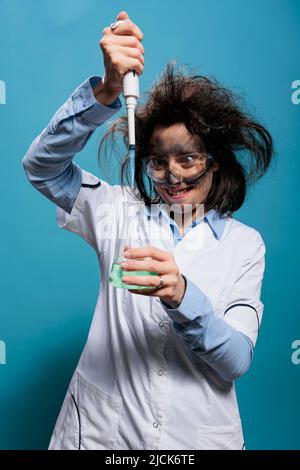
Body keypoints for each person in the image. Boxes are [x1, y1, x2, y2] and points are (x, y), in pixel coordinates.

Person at [22, 10, 273, 450]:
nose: (172, 175)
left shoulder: (244, 245)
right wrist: (106, 91)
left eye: (188, 159)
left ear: (215, 160)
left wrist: (181, 294)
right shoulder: (117, 209)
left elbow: (235, 361)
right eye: (158, 162)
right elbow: (42, 168)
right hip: (104, 437)